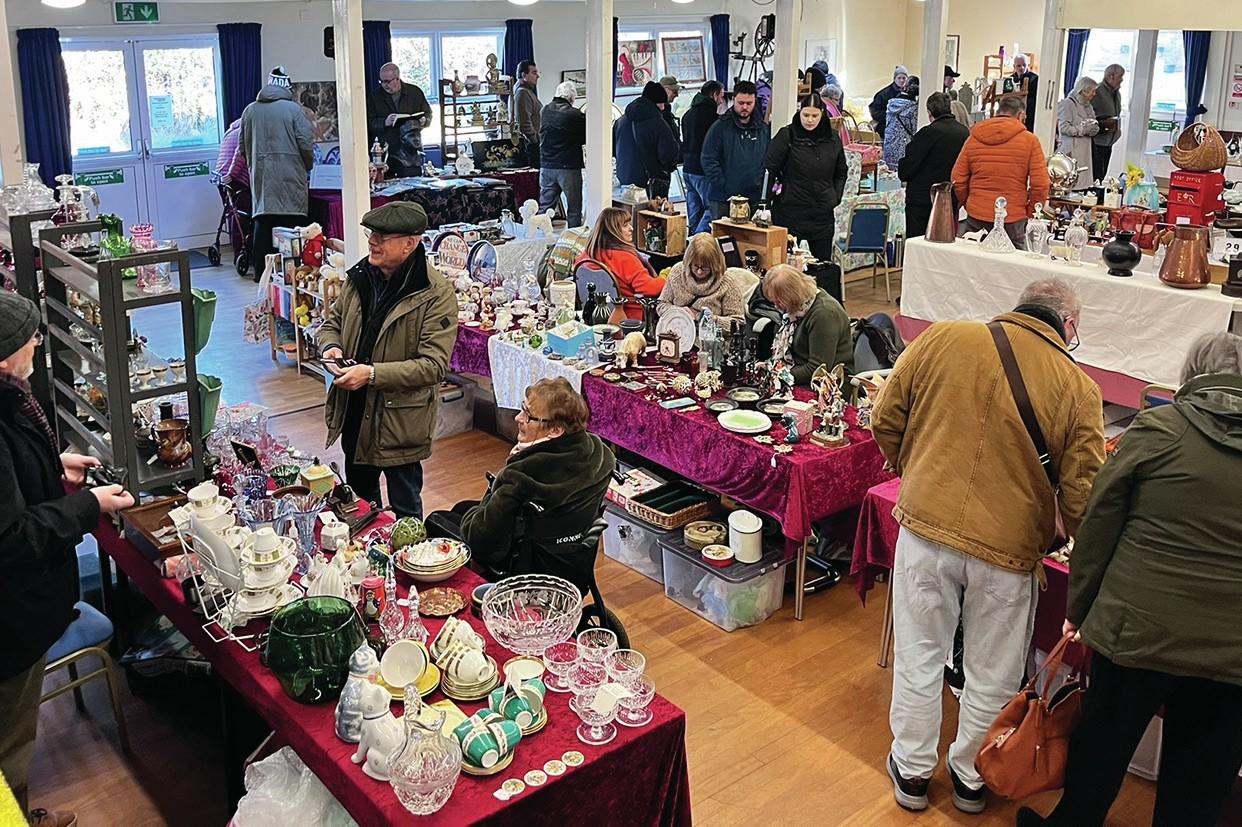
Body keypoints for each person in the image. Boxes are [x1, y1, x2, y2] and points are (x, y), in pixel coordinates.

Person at [870, 277, 1105, 816]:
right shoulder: (1078, 388)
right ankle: (972, 779)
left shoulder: (943, 337)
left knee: (919, 655)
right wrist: (1079, 547)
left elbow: (885, 417)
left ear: (1019, 307)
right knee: (992, 672)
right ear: (1068, 326)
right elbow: (1083, 494)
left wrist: (917, 471)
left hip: (926, 526)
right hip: (1008, 550)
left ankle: (911, 769)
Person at [1018, 331, 1242, 827]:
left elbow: (1098, 526)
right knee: (1200, 779)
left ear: (1191, 375)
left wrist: (1078, 610)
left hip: (1137, 627)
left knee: (1102, 748)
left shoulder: (1159, 430)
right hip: (1232, 650)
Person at [0, 293, 135, 826]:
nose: (37, 342)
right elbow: (11, 538)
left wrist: (51, 468)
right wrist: (87, 505)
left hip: (18, 612)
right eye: (29, 337)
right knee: (9, 745)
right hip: (10, 621)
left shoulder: (9, 402)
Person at [318, 202, 457, 519]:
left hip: (400, 424)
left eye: (382, 236)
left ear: (410, 243)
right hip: (354, 413)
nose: (372, 241)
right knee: (361, 509)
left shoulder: (436, 294)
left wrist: (371, 374)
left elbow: (433, 366)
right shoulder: (360, 277)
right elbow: (331, 324)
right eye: (371, 234)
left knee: (406, 515)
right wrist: (331, 347)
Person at [426, 379, 615, 585]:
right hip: (571, 557)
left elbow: (482, 544)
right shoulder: (600, 454)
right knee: (461, 508)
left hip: (529, 567)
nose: (518, 418)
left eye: (528, 416)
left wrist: (492, 494)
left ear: (555, 430)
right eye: (522, 409)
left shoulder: (521, 477)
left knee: (436, 521)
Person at [241, 66, 314, 281]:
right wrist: (307, 165)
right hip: (291, 176)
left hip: (262, 178)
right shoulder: (294, 110)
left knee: (263, 223)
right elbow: (305, 143)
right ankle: (293, 275)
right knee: (292, 226)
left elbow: (242, 147)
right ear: (287, 87)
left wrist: (256, 165)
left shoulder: (250, 111)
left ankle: (262, 274)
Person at [951, 95, 1049, 248]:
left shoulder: (974, 138)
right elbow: (1041, 184)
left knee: (973, 259)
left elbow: (958, 178)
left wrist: (969, 202)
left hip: (977, 213)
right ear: (1020, 115)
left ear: (998, 112)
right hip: (1012, 216)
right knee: (1011, 261)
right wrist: (1030, 212)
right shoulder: (1030, 141)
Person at [765, 94, 848, 264]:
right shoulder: (787, 135)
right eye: (806, 115)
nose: (809, 120)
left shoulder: (833, 138)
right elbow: (768, 170)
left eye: (814, 115)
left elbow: (841, 172)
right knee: (784, 266)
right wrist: (766, 202)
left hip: (822, 214)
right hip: (789, 212)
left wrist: (835, 197)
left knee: (822, 266)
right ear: (799, 112)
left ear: (822, 114)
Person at [762, 264, 854, 383]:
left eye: (779, 301)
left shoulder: (824, 315)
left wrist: (777, 375)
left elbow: (818, 370)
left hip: (829, 383)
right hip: (798, 371)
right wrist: (768, 367)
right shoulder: (798, 308)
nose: (776, 306)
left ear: (792, 296)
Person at [899, 92, 970, 239]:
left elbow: (907, 168)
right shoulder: (964, 133)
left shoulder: (927, 133)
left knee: (918, 243)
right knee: (943, 241)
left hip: (922, 200)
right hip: (950, 197)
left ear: (929, 112)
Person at [573, 207, 665, 321]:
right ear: (612, 230)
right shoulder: (625, 258)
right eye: (625, 225)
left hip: (592, 315)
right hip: (628, 318)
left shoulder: (585, 255)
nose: (631, 228)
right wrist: (665, 277)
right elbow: (650, 289)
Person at [701, 80, 771, 222]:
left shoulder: (763, 130)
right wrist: (723, 185)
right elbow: (708, 159)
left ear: (755, 101)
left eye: (749, 103)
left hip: (754, 198)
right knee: (723, 236)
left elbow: (768, 159)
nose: (744, 107)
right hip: (724, 199)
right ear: (733, 99)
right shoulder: (719, 128)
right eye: (741, 103)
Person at [656, 233, 745, 327]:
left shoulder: (727, 283)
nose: (699, 272)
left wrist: (709, 319)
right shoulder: (677, 272)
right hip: (678, 331)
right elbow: (661, 305)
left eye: (705, 267)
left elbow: (739, 323)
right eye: (695, 266)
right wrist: (678, 312)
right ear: (688, 261)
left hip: (710, 334)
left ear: (715, 263)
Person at [365, 62, 432, 178]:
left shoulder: (414, 92)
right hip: (387, 152)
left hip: (412, 150)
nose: (384, 85)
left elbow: (428, 113)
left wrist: (424, 120)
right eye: (381, 81)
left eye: (387, 81)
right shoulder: (374, 97)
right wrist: (384, 122)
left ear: (397, 78)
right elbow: (367, 123)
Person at [614, 82, 680, 199]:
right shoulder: (659, 124)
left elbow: (613, 149)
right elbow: (668, 155)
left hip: (624, 180)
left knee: (628, 210)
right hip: (650, 182)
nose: (663, 107)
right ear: (656, 103)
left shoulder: (621, 121)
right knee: (652, 210)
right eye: (662, 103)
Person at [538, 81, 587, 227]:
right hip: (568, 167)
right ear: (571, 98)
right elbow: (586, 137)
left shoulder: (544, 111)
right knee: (574, 209)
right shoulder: (575, 115)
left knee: (544, 209)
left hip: (546, 166)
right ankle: (574, 237)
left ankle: (538, 236)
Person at [681, 80, 726, 234]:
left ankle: (691, 240)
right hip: (703, 170)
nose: (722, 101)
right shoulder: (712, 117)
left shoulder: (687, 114)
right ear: (714, 95)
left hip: (687, 168)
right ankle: (699, 240)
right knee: (711, 208)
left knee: (694, 209)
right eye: (721, 96)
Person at [1057, 76, 1100, 191]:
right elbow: (1063, 127)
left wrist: (1094, 129)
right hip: (1072, 151)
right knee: (1072, 185)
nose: (1094, 94)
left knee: (1083, 185)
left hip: (1086, 151)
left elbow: (1093, 121)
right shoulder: (1067, 104)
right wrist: (1081, 130)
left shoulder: (1088, 106)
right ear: (1083, 91)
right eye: (1092, 91)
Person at [1090, 64, 1125, 182]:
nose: (1122, 80)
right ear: (1111, 76)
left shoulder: (1117, 94)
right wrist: (1102, 123)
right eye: (1120, 76)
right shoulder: (1097, 92)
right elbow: (1086, 115)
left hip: (1109, 142)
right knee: (1096, 176)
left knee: (1102, 175)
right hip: (1097, 142)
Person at [883, 76, 920, 169]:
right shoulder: (913, 108)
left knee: (888, 174)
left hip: (888, 147)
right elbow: (915, 131)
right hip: (904, 150)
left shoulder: (891, 104)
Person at [511, 60, 542, 168]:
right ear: (524, 75)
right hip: (532, 147)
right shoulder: (522, 93)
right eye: (534, 73)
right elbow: (524, 124)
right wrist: (535, 141)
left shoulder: (525, 91)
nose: (537, 76)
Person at [869, 65, 910, 140]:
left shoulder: (910, 94)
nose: (901, 80)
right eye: (899, 78)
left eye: (904, 78)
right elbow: (875, 112)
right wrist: (891, 116)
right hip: (885, 129)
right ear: (894, 79)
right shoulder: (883, 94)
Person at [214, 118, 249, 186]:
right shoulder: (244, 132)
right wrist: (231, 175)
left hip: (220, 174)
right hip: (234, 177)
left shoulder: (230, 131)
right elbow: (240, 154)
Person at [1011, 54, 1039, 132]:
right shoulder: (1010, 79)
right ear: (1014, 66)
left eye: (1024, 65)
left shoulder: (1035, 79)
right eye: (1019, 66)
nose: (1022, 68)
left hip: (1029, 115)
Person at [820, 84, 853, 149]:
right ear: (829, 98)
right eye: (836, 100)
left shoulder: (827, 106)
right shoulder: (828, 109)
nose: (838, 103)